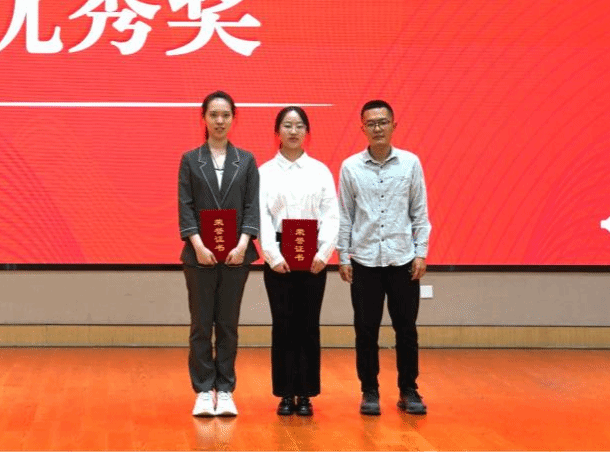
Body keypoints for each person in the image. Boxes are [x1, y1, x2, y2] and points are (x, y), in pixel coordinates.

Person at [337, 100, 431, 416]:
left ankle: (409, 390)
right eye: (371, 123)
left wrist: (421, 252)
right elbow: (345, 215)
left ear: (393, 125)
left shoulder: (410, 163)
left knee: (407, 330)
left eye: (383, 122)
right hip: (364, 261)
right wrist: (343, 255)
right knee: (366, 331)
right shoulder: (350, 167)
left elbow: (419, 212)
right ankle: (369, 390)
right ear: (362, 128)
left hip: (402, 259)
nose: (377, 128)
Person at [178, 90, 261, 417]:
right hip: (198, 256)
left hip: (237, 256)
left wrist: (242, 244)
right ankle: (203, 390)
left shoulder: (246, 160)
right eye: (213, 115)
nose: (220, 121)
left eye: (226, 115)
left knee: (227, 324)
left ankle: (225, 389)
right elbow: (185, 206)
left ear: (233, 119)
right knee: (201, 324)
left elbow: (251, 205)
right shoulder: (190, 160)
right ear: (203, 118)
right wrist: (198, 246)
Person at [259, 106, 338, 417]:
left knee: (308, 324)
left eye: (299, 125)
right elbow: (262, 217)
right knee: (282, 325)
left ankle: (305, 393)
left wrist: (323, 253)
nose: (293, 131)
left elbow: (331, 215)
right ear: (277, 131)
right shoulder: (264, 172)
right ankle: (285, 393)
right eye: (287, 125)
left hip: (313, 256)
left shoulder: (320, 171)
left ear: (307, 132)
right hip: (278, 255)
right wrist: (272, 255)